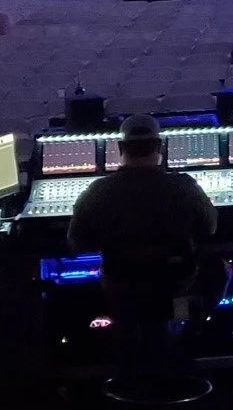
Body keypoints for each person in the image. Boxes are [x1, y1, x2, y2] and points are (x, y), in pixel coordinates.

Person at [68, 114, 218, 361]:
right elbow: (210, 228)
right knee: (221, 268)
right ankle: (190, 334)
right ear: (159, 147)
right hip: (176, 284)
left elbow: (77, 242)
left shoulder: (98, 191)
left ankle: (115, 348)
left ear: (120, 148)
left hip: (121, 286)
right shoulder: (185, 187)